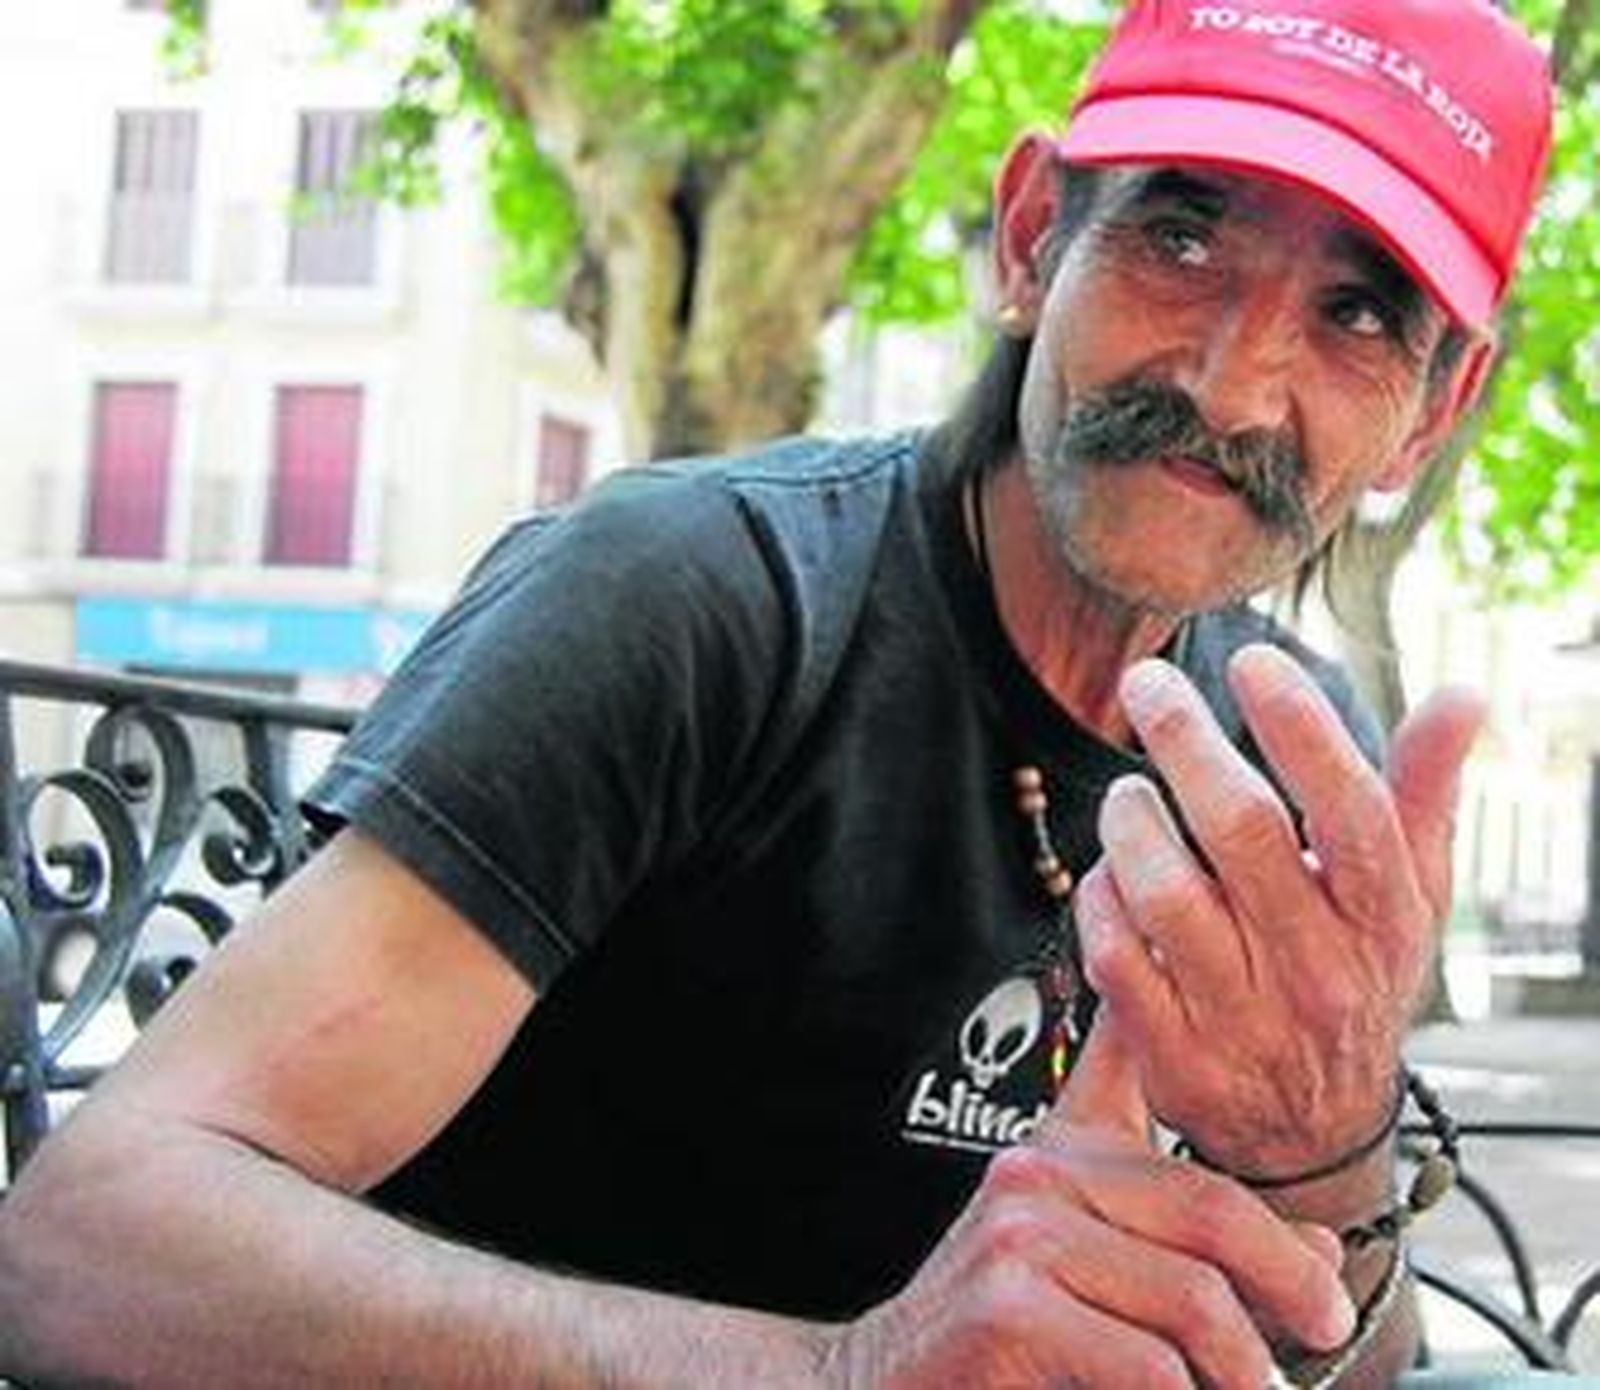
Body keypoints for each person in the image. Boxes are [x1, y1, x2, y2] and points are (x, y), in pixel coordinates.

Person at [0, 0, 1554, 1385]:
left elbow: (1349, 1360)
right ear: (1030, 239)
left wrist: (1324, 1160)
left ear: (1432, 412)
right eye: (1179, 236)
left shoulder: (1284, 764)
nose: (1229, 382)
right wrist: (840, 1372)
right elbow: (88, 1239)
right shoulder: (698, 596)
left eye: (1357, 313)